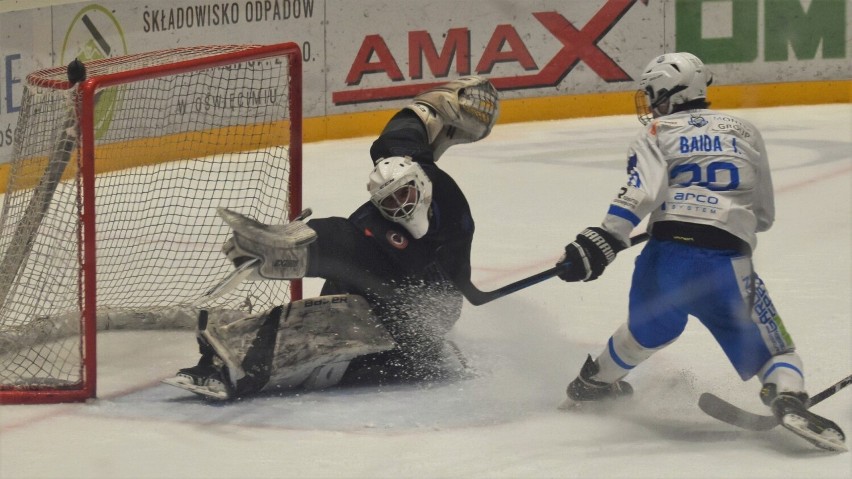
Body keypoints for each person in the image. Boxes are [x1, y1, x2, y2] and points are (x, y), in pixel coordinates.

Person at [553, 52, 846, 452]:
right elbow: (763, 215)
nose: (652, 103)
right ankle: (787, 396)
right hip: (726, 265)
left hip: (664, 260)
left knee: (645, 333)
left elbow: (641, 192)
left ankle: (591, 384)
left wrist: (604, 238)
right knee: (773, 351)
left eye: (654, 94)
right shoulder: (744, 131)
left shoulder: (656, 132)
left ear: (671, 93)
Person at [164, 76, 500, 400]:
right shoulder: (396, 177)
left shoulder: (449, 208)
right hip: (371, 284)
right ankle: (232, 351)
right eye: (388, 200)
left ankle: (247, 365)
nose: (397, 206)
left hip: (415, 312)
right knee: (326, 305)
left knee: (369, 346)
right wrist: (427, 110)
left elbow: (448, 289)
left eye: (404, 198)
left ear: (423, 188)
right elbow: (395, 142)